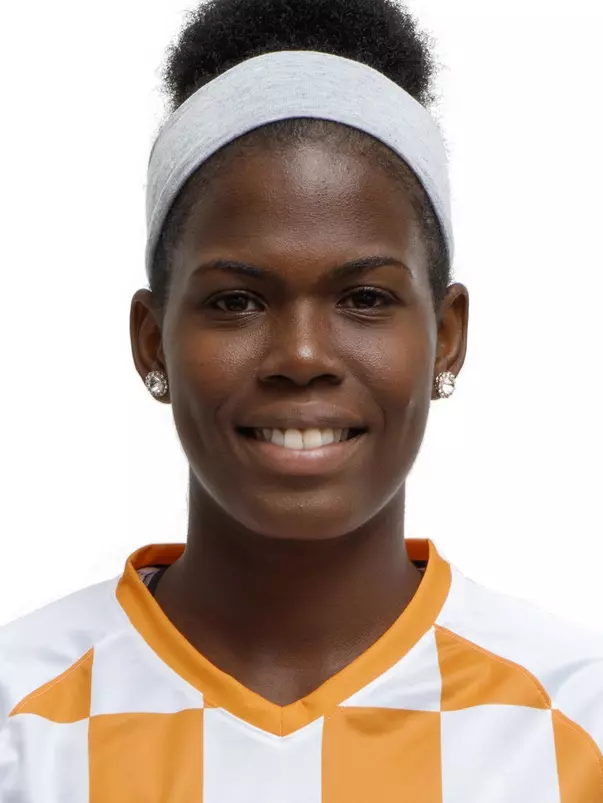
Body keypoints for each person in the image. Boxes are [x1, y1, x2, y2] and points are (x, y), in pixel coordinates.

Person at [1, 0, 602, 799]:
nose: (302, 358)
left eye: (364, 297)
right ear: (152, 342)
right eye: (235, 303)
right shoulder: (21, 727)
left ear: (446, 335)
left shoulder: (573, 723)